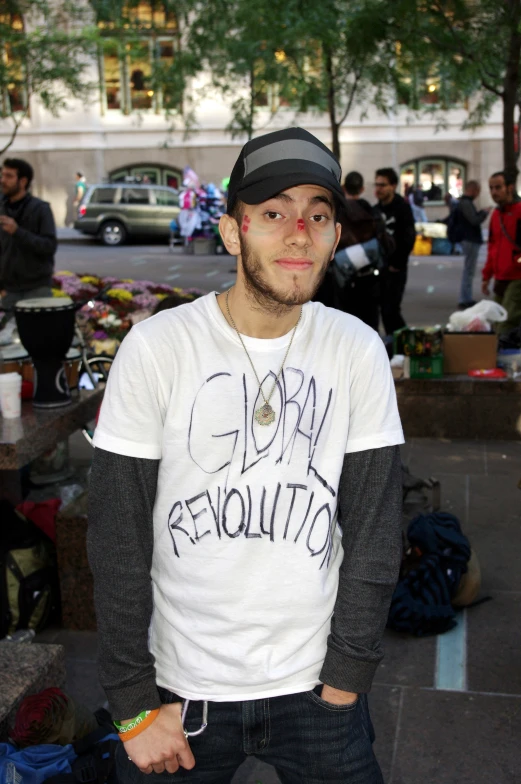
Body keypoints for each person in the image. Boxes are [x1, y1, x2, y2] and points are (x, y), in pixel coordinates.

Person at [87, 126, 404, 784]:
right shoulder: (158, 348)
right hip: (182, 691)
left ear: (335, 236)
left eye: (318, 215)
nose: (297, 233)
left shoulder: (354, 349)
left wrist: (345, 678)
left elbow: (375, 523)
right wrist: (131, 705)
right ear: (232, 232)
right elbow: (117, 531)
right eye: (272, 213)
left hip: (318, 690)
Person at [0, 158, 57, 310]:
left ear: (23, 181)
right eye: (2, 175)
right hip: (9, 291)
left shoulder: (40, 209)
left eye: (9, 176)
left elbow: (49, 246)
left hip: (36, 290)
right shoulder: (1, 207)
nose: (3, 180)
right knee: (8, 333)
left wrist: (17, 232)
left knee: (38, 333)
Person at [374, 167, 416, 335]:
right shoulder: (375, 210)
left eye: (383, 185)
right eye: (376, 185)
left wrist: (397, 263)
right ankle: (394, 348)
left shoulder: (402, 209)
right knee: (382, 311)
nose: (378, 189)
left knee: (391, 310)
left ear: (393, 186)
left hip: (395, 269)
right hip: (379, 268)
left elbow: (409, 238)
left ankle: (405, 344)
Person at [482, 170, 521, 333]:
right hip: (501, 277)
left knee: (505, 323)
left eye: (498, 187)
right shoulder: (496, 214)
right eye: (491, 188)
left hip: (517, 277)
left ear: (509, 188)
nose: (494, 192)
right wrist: (486, 276)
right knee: (496, 322)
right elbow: (493, 247)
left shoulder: (519, 212)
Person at [453, 180, 490, 309]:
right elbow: (474, 220)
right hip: (470, 239)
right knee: (469, 270)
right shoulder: (466, 203)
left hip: (468, 238)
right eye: (478, 191)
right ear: (473, 190)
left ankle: (465, 297)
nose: (478, 194)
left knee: (468, 270)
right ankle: (465, 298)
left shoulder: (463, 202)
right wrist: (484, 213)